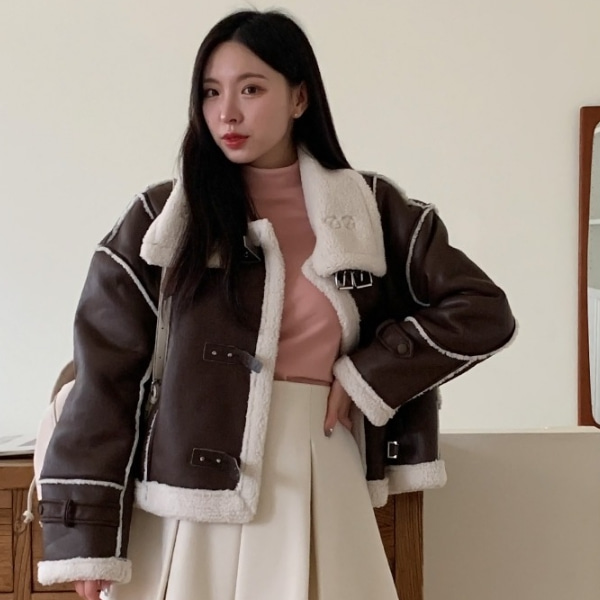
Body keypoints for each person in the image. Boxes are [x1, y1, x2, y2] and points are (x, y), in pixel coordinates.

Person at [36, 9, 516, 600]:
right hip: (187, 503)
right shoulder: (161, 220)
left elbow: (482, 311)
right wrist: (85, 538)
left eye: (251, 89)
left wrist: (369, 374)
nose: (227, 113)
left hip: (320, 472)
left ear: (299, 98)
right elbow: (106, 377)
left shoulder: (371, 211)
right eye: (211, 92)